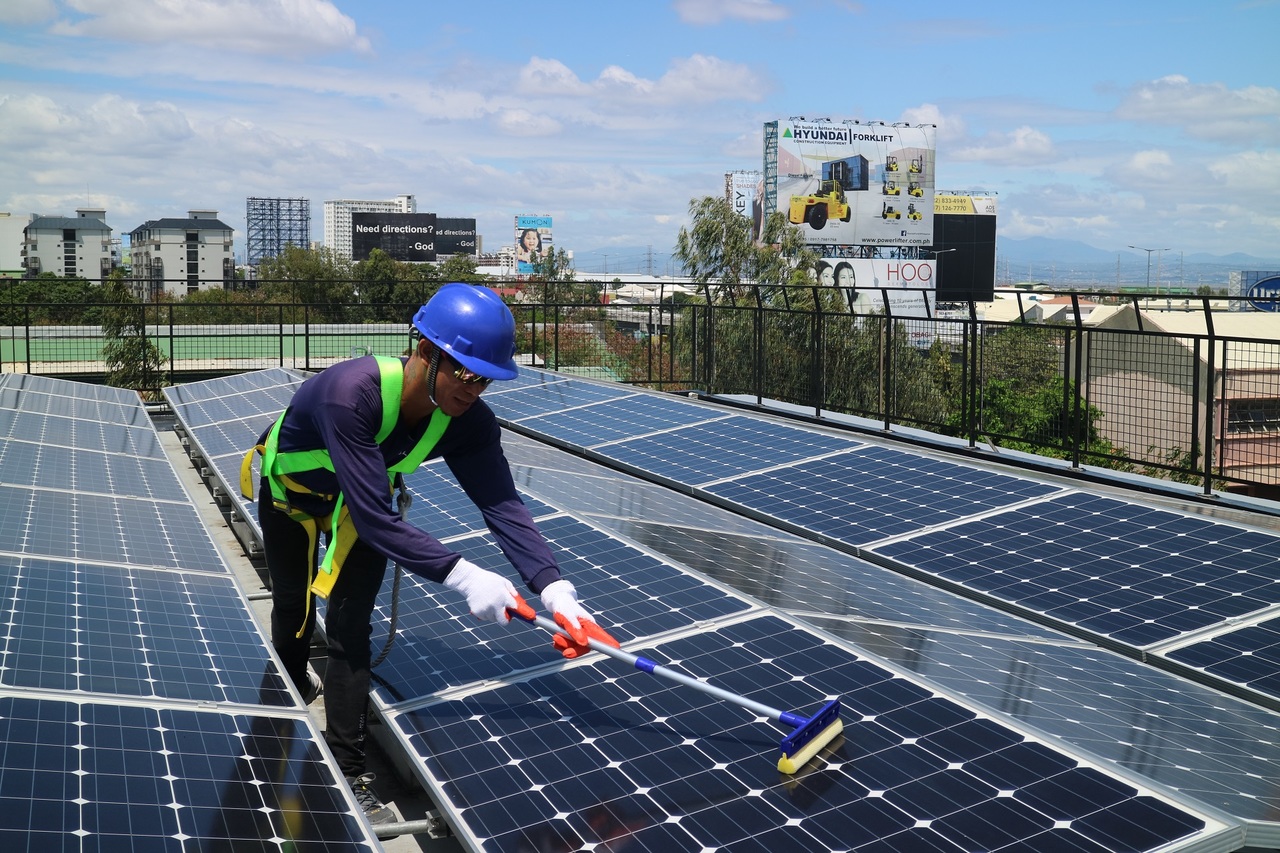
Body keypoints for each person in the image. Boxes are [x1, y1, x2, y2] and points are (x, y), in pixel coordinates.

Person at [242, 282, 618, 827]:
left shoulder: (468, 420)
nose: (474, 389)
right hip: (293, 500)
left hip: (355, 510)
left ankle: (347, 769)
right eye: (465, 372)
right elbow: (377, 516)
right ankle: (292, 691)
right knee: (294, 612)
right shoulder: (350, 394)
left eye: (485, 378)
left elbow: (501, 503)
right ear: (426, 352)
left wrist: (555, 589)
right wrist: (466, 577)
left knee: (351, 628)